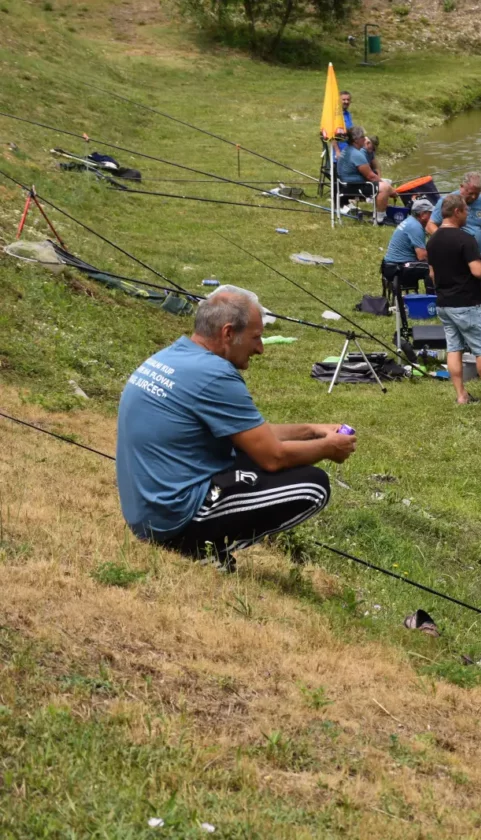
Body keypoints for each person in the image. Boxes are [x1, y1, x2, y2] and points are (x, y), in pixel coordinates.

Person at [115, 286, 356, 572]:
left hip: (145, 510)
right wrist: (329, 448)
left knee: (248, 454)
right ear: (228, 333)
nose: (261, 349)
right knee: (313, 486)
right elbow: (273, 456)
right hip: (171, 518)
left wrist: (310, 430)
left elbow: (252, 435)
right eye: (256, 338)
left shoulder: (175, 355)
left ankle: (196, 538)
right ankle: (194, 546)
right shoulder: (215, 374)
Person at [427, 192, 481, 406]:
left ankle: (461, 395)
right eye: (466, 210)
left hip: (444, 304)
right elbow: (476, 271)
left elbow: (432, 274)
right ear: (457, 212)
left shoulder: (433, 239)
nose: (468, 214)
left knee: (454, 348)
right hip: (467, 304)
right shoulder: (466, 239)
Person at [428, 172, 481, 260]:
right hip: (453, 257)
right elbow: (430, 225)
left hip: (477, 256)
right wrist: (445, 240)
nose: (474, 197)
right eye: (470, 193)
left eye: (477, 194)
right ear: (461, 187)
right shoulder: (447, 201)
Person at [336, 126, 395, 223]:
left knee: (384, 184)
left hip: (345, 184)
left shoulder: (348, 150)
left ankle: (381, 214)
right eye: (362, 137)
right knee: (384, 188)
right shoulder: (356, 154)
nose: (364, 139)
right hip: (353, 186)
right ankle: (380, 218)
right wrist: (390, 189)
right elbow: (370, 176)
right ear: (356, 140)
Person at [381, 197, 433, 298]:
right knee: (430, 268)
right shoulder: (415, 227)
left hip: (389, 265)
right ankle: (431, 300)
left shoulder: (410, 221)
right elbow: (422, 257)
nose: (432, 216)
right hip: (397, 268)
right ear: (422, 215)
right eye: (430, 213)